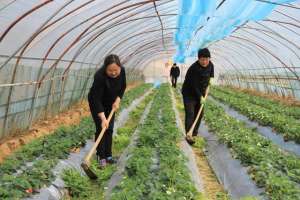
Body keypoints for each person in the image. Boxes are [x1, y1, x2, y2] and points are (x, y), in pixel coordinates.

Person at [88, 54, 126, 168]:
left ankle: (108, 156)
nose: (113, 73)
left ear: (120, 67)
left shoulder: (122, 71)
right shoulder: (99, 76)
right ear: (105, 68)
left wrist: (118, 100)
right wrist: (103, 118)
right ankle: (101, 157)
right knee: (101, 128)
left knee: (109, 129)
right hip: (97, 103)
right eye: (110, 70)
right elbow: (96, 98)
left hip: (111, 103)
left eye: (116, 70)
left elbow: (123, 86)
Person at [181, 48, 214, 144]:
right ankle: (188, 135)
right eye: (202, 59)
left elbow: (211, 73)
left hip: (202, 92)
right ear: (198, 59)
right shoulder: (193, 69)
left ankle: (194, 133)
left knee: (199, 114)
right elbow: (194, 86)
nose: (204, 62)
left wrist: (211, 79)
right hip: (189, 93)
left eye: (206, 59)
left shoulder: (211, 64)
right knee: (190, 113)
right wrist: (200, 97)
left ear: (209, 58)